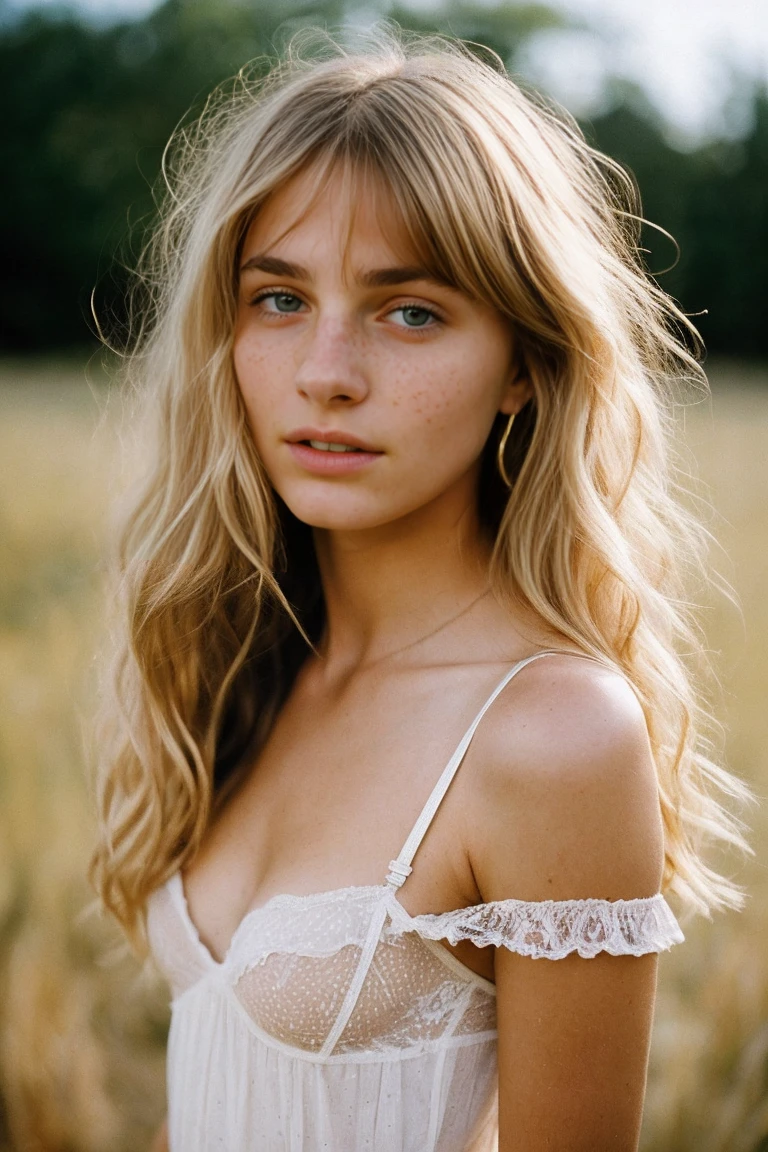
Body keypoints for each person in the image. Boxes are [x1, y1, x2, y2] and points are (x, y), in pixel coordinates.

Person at [89, 24, 751, 1152]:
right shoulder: (253, 659)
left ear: (524, 368)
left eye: (411, 312)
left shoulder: (553, 736)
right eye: (279, 300)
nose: (326, 375)